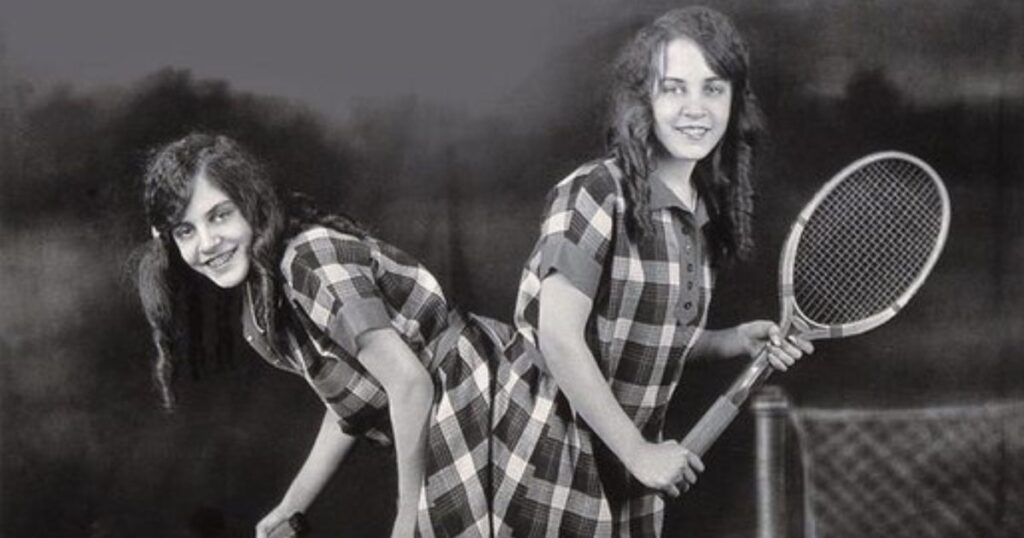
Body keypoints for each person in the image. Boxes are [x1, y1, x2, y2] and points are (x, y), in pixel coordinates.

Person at [489, 7, 813, 536]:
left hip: (629, 482)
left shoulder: (702, 215)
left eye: (713, 89)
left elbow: (652, 335)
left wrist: (732, 340)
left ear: (734, 102)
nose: (695, 108)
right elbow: (559, 337)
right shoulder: (598, 191)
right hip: (549, 467)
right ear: (644, 100)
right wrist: (638, 451)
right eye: (673, 88)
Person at [134, 133, 504, 538]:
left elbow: (409, 384)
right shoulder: (264, 288)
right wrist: (292, 505)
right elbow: (350, 399)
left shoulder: (308, 261)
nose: (207, 243)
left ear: (250, 203)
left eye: (220, 215)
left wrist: (408, 518)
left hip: (485, 401)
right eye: (185, 231)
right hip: (442, 416)